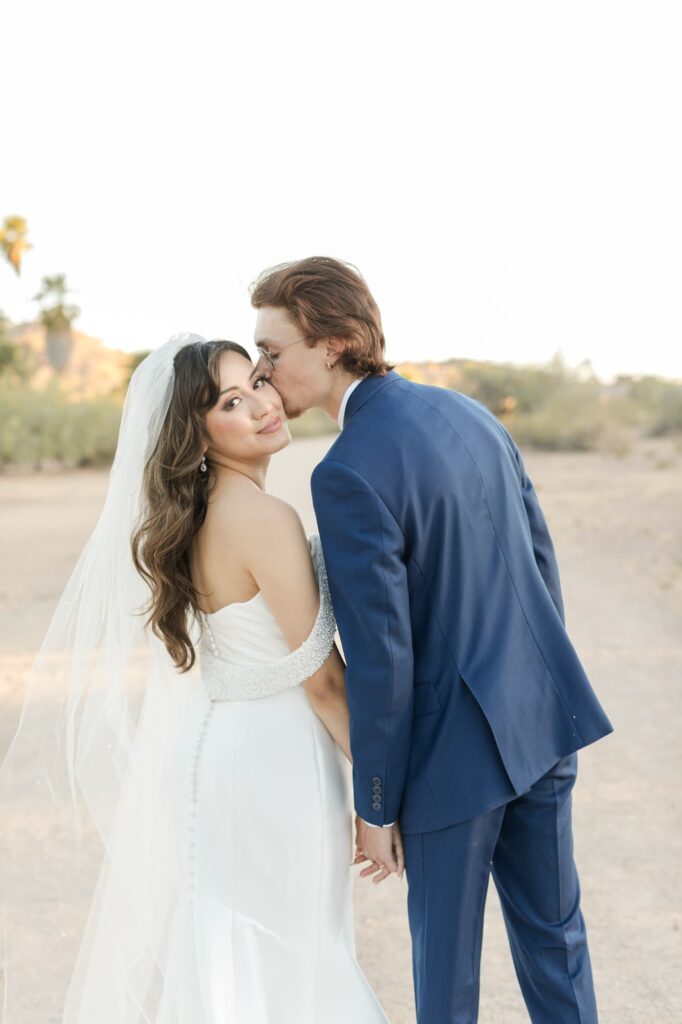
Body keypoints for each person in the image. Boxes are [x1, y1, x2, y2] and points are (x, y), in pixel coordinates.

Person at [250, 256, 615, 1024]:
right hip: (542, 726)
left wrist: (375, 804)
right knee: (558, 943)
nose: (261, 369)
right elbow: (540, 563)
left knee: (445, 981)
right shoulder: (470, 414)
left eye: (273, 351)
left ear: (337, 342)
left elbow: (384, 657)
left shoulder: (345, 470)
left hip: (452, 762)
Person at [0, 333, 392, 1022]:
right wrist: (382, 799)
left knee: (237, 954)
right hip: (277, 764)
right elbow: (323, 682)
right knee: (295, 950)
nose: (263, 407)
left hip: (221, 754)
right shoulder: (264, 518)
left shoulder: (198, 518)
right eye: (232, 402)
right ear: (198, 434)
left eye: (258, 387)